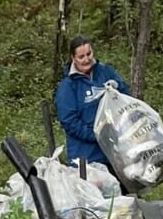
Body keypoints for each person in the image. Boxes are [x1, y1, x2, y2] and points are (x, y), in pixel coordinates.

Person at [54, 37, 128, 170]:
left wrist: (118, 87)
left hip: (115, 153)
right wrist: (97, 135)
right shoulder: (68, 86)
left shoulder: (105, 71)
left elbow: (126, 97)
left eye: (89, 54)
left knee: (120, 190)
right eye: (81, 56)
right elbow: (69, 121)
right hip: (86, 157)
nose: (86, 59)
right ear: (73, 58)